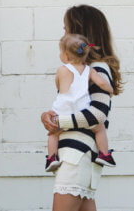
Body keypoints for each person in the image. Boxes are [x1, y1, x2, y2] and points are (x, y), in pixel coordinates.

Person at [41, 5, 123, 211]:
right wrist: (48, 115)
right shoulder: (80, 71)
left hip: (76, 157)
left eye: (66, 29)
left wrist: (58, 122)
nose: (64, 34)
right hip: (79, 155)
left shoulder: (95, 69)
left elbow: (97, 115)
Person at [45, 33, 116, 172]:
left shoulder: (62, 70)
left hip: (62, 113)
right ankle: (104, 154)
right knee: (99, 128)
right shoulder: (90, 70)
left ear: (66, 55)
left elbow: (59, 87)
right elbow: (101, 82)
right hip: (82, 112)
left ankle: (52, 158)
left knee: (53, 134)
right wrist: (110, 90)